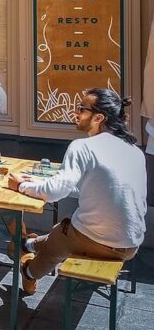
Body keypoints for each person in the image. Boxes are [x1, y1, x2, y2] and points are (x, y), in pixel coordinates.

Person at [8, 89, 147, 296]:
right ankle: (28, 243)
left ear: (99, 117)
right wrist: (41, 181)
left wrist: (20, 186)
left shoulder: (82, 147)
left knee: (61, 233)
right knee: (66, 231)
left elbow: (55, 192)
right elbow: (95, 187)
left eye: (81, 109)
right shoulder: (134, 151)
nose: (75, 112)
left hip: (95, 240)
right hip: (130, 245)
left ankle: (28, 270)